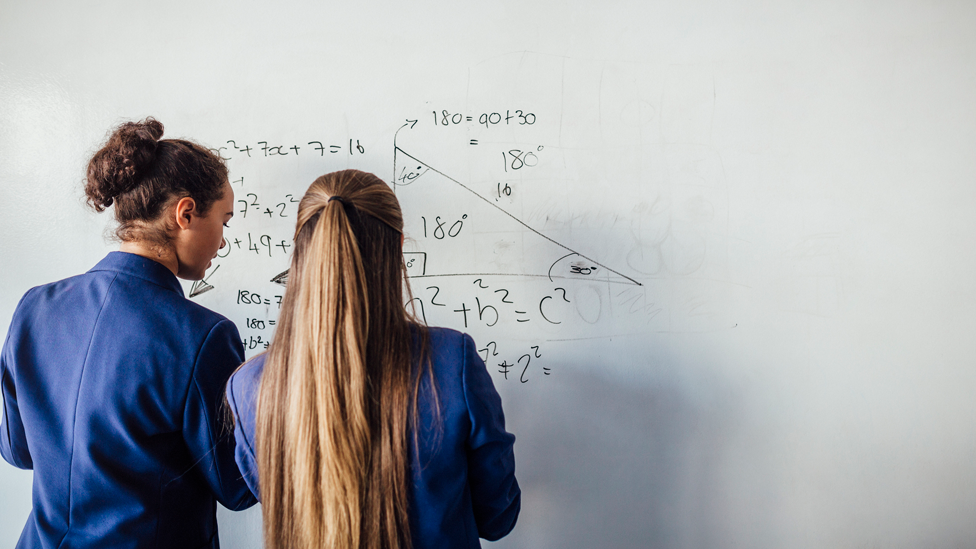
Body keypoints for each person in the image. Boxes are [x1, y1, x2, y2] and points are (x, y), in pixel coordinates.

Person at [225, 169, 520, 549]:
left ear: (300, 252)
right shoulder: (453, 362)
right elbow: (498, 517)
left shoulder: (249, 387)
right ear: (398, 247)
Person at [0, 118, 256, 548]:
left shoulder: (34, 307)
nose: (223, 243)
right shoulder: (203, 335)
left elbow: (18, 451)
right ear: (186, 213)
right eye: (224, 221)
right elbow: (237, 486)